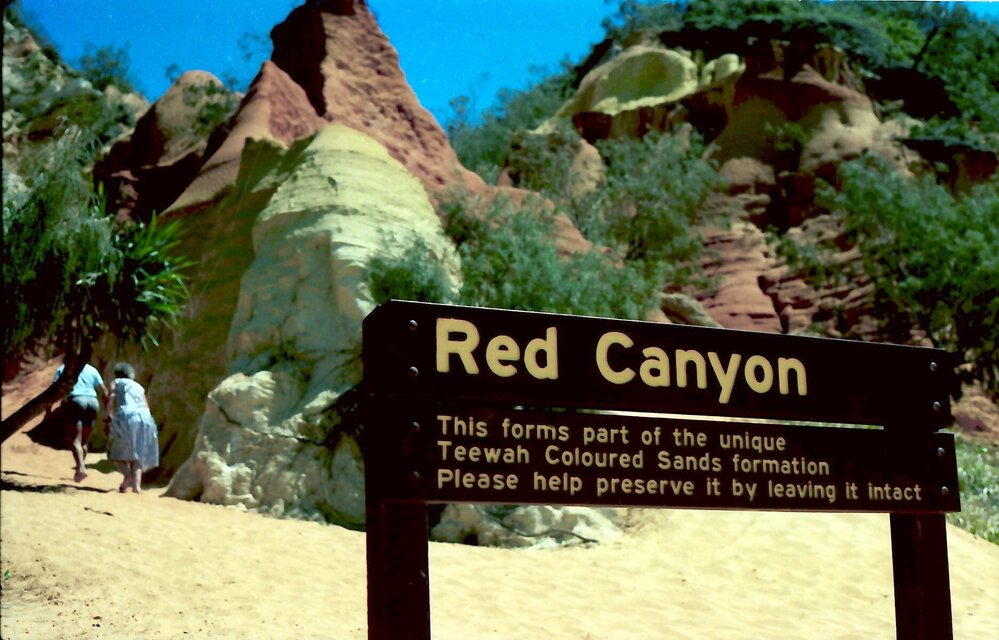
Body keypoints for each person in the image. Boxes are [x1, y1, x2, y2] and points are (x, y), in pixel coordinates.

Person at [106, 362, 159, 493]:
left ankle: (127, 475)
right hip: (146, 418)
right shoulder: (139, 386)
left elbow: (112, 396)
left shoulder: (116, 382)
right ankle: (136, 487)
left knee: (114, 451)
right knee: (138, 454)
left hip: (127, 415)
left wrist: (108, 413)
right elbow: (145, 404)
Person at [54, 362, 108, 483]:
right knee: (83, 441)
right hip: (93, 403)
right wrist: (107, 409)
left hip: (76, 401)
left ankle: (81, 468)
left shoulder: (63, 369)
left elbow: (55, 389)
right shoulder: (92, 370)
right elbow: (104, 391)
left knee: (75, 440)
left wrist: (49, 409)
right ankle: (79, 470)